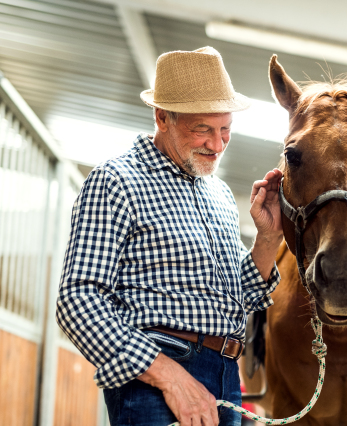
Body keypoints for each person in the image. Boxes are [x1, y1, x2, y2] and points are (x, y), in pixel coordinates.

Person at [56, 47, 283, 426]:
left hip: (226, 377)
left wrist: (268, 238)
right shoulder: (117, 181)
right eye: (202, 130)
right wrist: (170, 377)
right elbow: (77, 299)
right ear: (162, 117)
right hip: (157, 378)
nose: (218, 144)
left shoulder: (220, 194)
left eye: (225, 129)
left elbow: (238, 298)